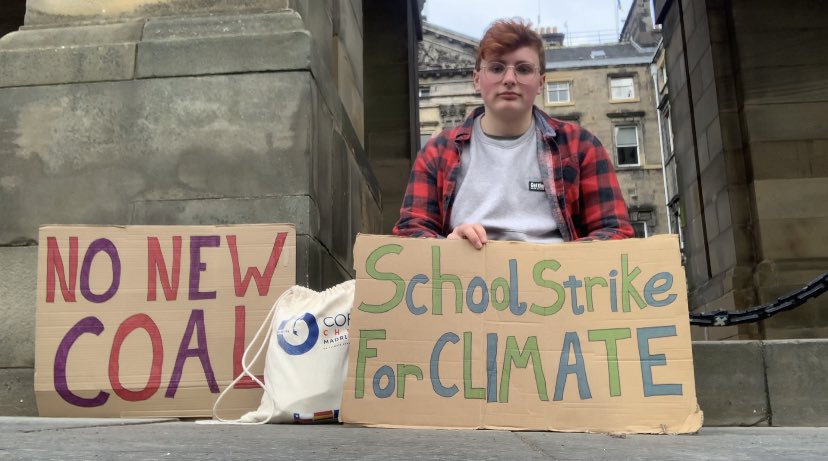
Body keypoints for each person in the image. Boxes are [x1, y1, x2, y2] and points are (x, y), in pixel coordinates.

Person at [393, 18, 633, 248]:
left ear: (541, 82)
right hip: (466, 283)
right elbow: (410, 233)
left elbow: (615, 232)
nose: (509, 79)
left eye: (523, 69)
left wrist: (560, 258)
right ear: (477, 80)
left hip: (556, 284)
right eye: (496, 68)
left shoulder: (581, 146)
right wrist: (449, 245)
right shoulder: (437, 152)